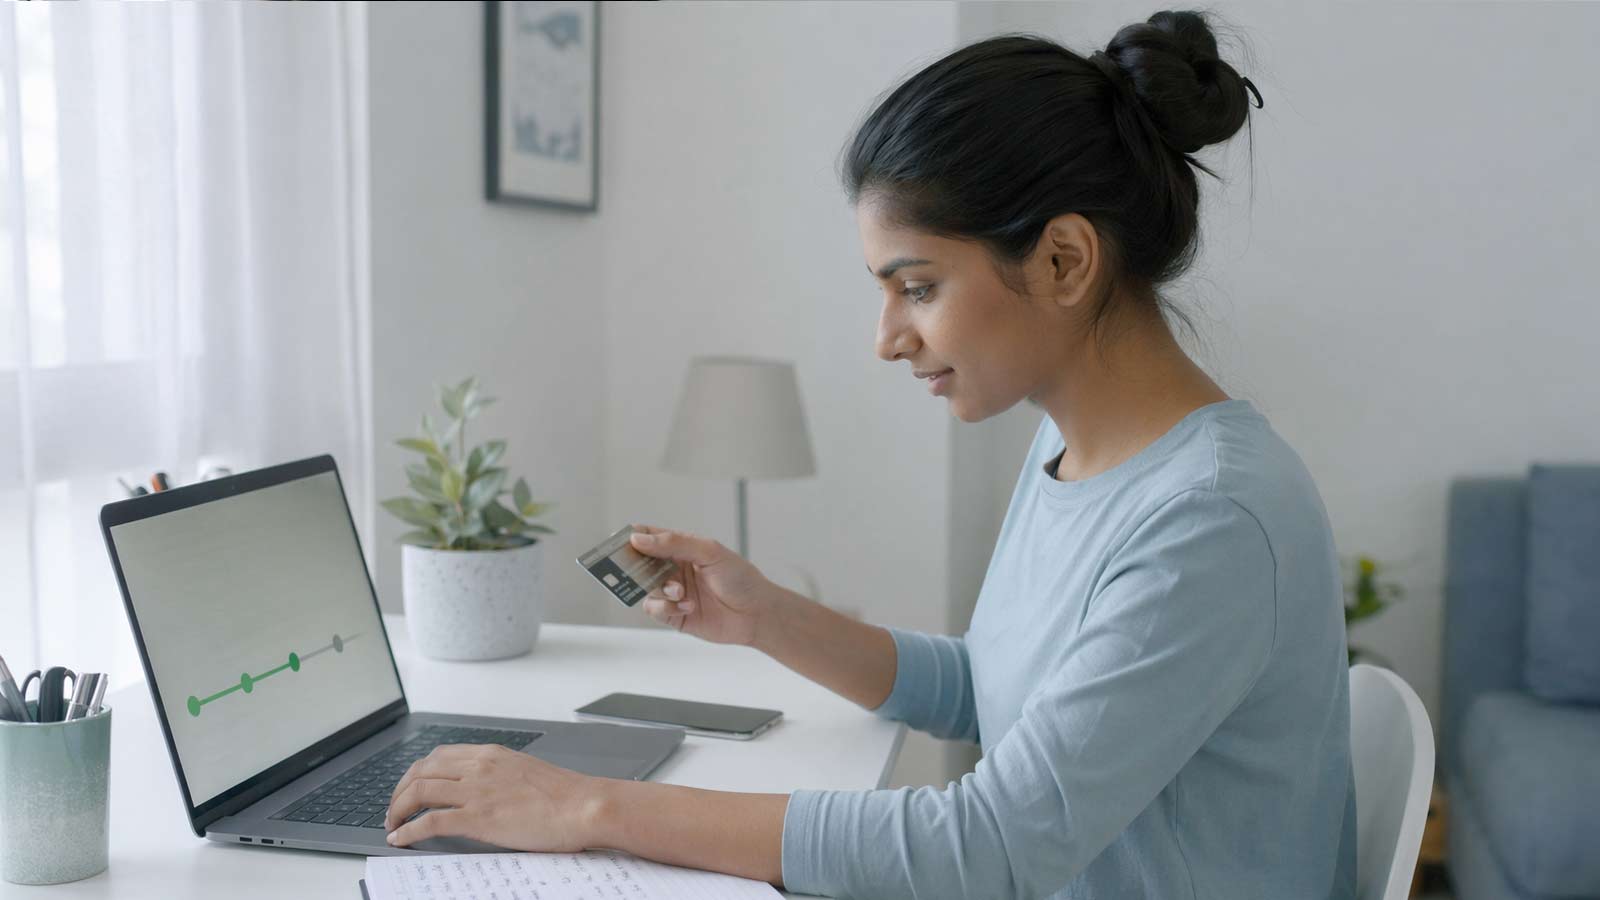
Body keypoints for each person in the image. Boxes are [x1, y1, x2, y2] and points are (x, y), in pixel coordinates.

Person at [384, 10, 1357, 898]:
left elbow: (989, 846)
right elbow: (990, 689)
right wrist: (764, 616)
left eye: (918, 287)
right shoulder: (1072, 452)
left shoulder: (1209, 519)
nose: (887, 336)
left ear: (1063, 259)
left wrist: (588, 806)